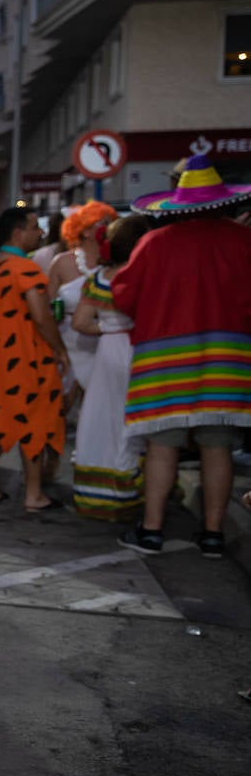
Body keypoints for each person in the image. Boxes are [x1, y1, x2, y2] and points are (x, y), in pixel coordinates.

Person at [113, 153, 251, 558]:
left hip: (163, 359)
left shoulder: (154, 244)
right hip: (228, 357)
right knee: (218, 445)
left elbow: (123, 294)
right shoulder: (243, 241)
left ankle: (152, 531)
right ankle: (212, 535)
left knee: (163, 444)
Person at [0, 205, 68, 511]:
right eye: (34, 227)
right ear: (18, 232)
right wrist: (59, 349)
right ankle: (33, 494)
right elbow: (41, 316)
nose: (40, 232)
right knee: (36, 419)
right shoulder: (26, 268)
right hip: (28, 357)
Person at [71, 214, 154, 520]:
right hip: (140, 351)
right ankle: (133, 488)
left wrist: (108, 330)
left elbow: (80, 322)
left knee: (102, 418)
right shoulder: (147, 276)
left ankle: (98, 493)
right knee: (134, 420)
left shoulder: (98, 278)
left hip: (108, 352)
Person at [48, 200, 117, 398]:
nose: (107, 228)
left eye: (110, 222)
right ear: (85, 231)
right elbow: (48, 307)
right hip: (69, 344)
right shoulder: (61, 263)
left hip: (105, 345)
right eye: (102, 222)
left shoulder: (115, 263)